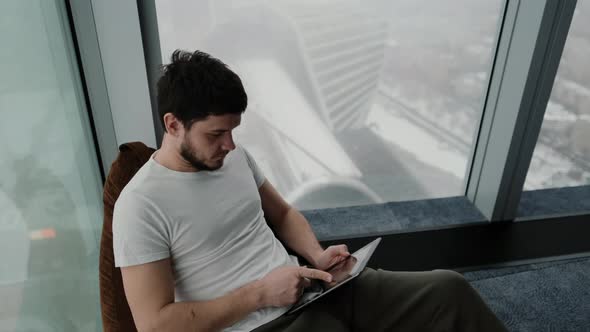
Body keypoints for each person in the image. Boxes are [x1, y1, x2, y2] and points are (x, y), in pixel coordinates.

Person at [113, 50, 507, 332]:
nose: (230, 144)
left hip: (309, 288)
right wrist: (260, 294)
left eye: (233, 131)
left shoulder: (235, 158)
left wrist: (317, 255)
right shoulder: (140, 206)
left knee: (447, 290)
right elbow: (155, 323)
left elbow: (283, 215)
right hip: (259, 323)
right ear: (173, 124)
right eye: (216, 134)